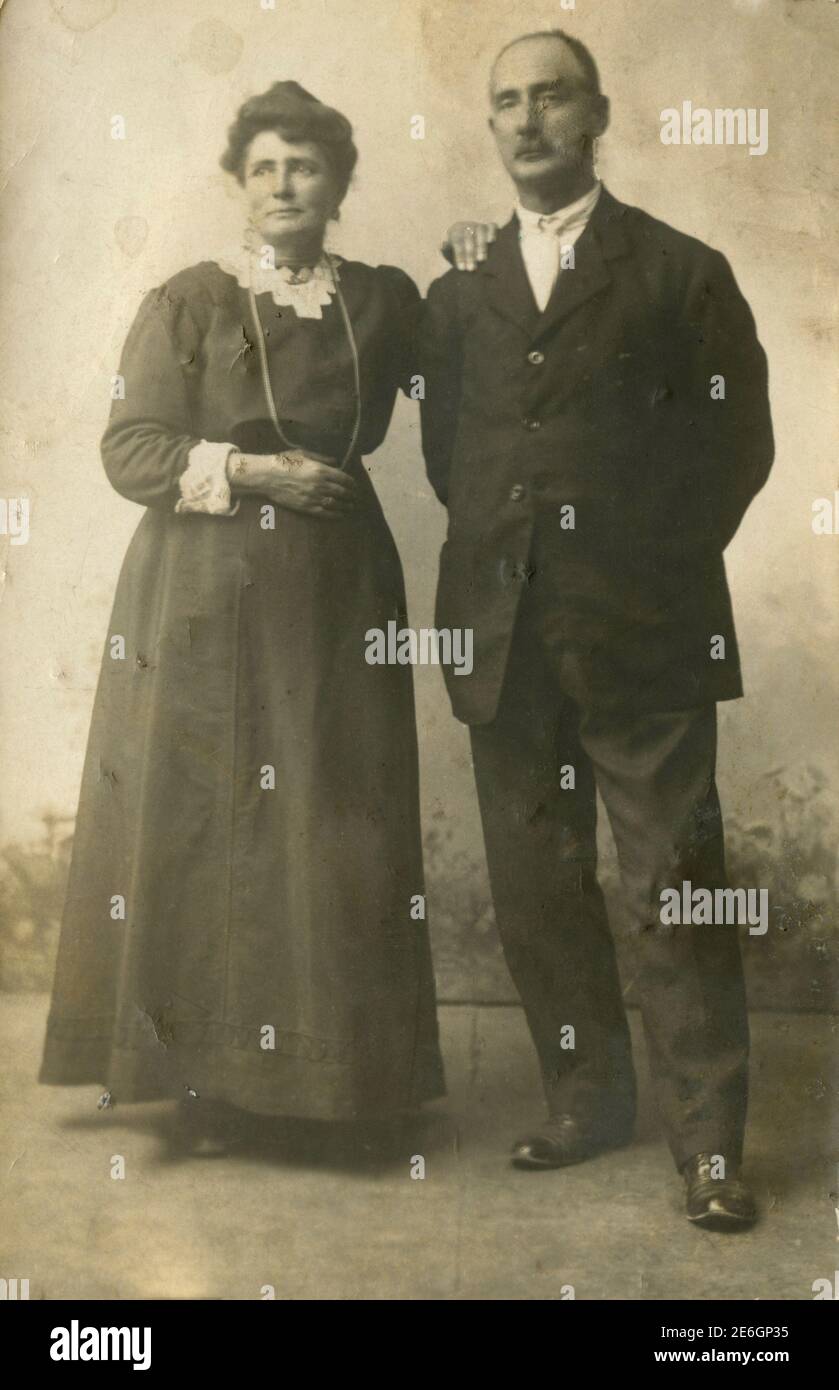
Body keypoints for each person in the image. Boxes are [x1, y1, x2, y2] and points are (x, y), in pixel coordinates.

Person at [39, 81, 448, 1154]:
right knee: (212, 821)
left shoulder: (383, 299)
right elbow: (131, 449)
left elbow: (464, 376)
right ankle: (204, 1081)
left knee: (330, 814)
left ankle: (337, 1084)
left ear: (337, 184)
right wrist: (260, 470)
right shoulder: (190, 300)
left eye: (304, 166)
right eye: (263, 165)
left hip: (335, 588)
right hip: (204, 591)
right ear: (238, 181)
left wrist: (480, 257)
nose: (283, 184)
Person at [419, 31, 774, 1227]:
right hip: (502, 632)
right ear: (490, 125)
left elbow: (736, 446)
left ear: (598, 113)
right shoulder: (458, 290)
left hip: (642, 629)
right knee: (536, 883)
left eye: (551, 96)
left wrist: (640, 561)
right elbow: (449, 455)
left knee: (671, 881)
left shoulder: (680, 271)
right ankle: (585, 1099)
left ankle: (710, 1146)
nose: (526, 121)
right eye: (505, 101)